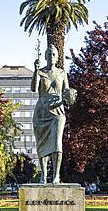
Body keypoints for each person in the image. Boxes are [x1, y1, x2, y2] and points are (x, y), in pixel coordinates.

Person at [31, 44, 73, 184]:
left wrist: (70, 95)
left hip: (58, 111)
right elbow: (33, 88)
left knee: (56, 143)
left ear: (57, 57)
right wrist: (36, 71)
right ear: (45, 57)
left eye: (53, 54)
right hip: (41, 112)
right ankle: (43, 175)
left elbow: (67, 93)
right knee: (42, 144)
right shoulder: (40, 72)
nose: (51, 57)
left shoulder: (62, 73)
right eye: (49, 55)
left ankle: (56, 175)